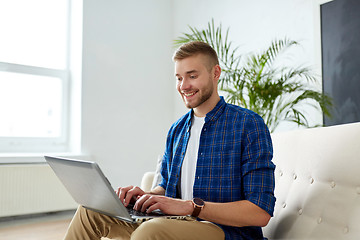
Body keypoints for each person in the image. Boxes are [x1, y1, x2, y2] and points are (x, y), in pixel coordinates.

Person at [64, 41, 276, 240]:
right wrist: (145, 196)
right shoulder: (177, 129)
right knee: (89, 212)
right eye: (178, 78)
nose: (184, 86)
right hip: (173, 223)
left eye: (192, 76)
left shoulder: (248, 125)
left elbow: (260, 212)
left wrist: (190, 207)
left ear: (215, 73)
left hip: (224, 231)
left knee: (150, 231)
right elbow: (166, 186)